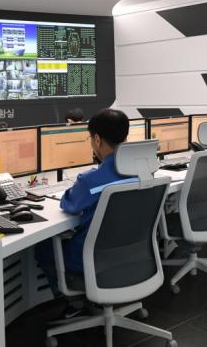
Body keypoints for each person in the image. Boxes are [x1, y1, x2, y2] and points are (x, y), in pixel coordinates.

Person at [35, 108, 129, 317]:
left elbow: (69, 205)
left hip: (92, 257)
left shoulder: (90, 181)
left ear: (97, 139)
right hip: (131, 254)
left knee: (43, 248)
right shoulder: (142, 171)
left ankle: (74, 302)